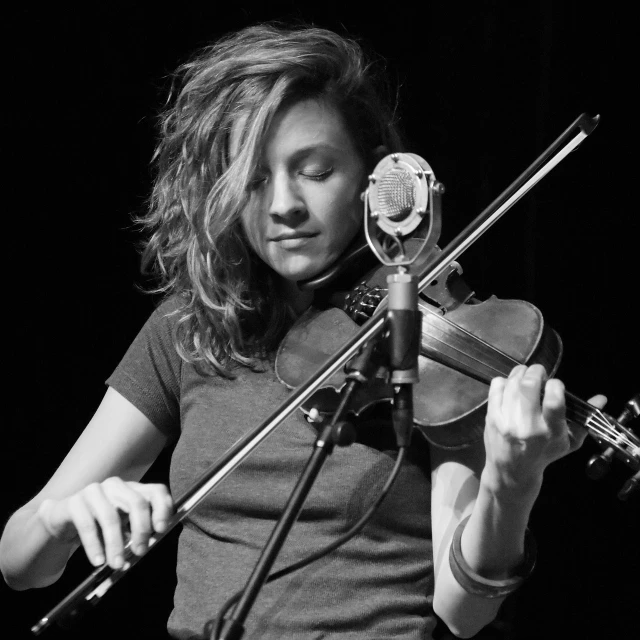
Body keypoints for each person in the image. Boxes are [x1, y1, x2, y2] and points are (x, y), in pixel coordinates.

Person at [0, 23, 605, 640]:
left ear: (375, 180)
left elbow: (463, 610)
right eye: (254, 180)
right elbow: (20, 564)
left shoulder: (429, 333)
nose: (283, 204)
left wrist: (510, 484)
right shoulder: (195, 327)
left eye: (315, 172)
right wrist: (63, 522)